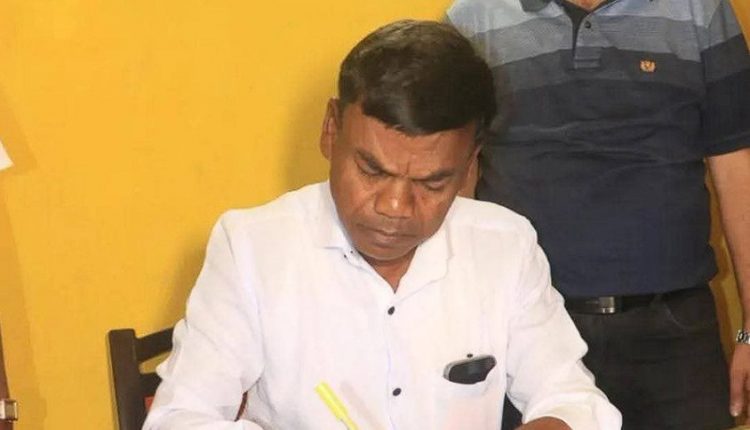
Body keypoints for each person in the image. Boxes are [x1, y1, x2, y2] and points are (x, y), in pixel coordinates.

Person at [143, 20, 621, 430]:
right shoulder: (252, 248)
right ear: (331, 130)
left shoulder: (505, 246)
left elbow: (573, 398)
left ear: (470, 165)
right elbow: (180, 418)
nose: (395, 207)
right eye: (371, 171)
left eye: (432, 183)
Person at [447, 0, 750, 429]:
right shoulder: (473, 19)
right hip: (529, 335)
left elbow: (737, 166)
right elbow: (453, 175)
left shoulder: (699, 10)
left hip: (675, 335)